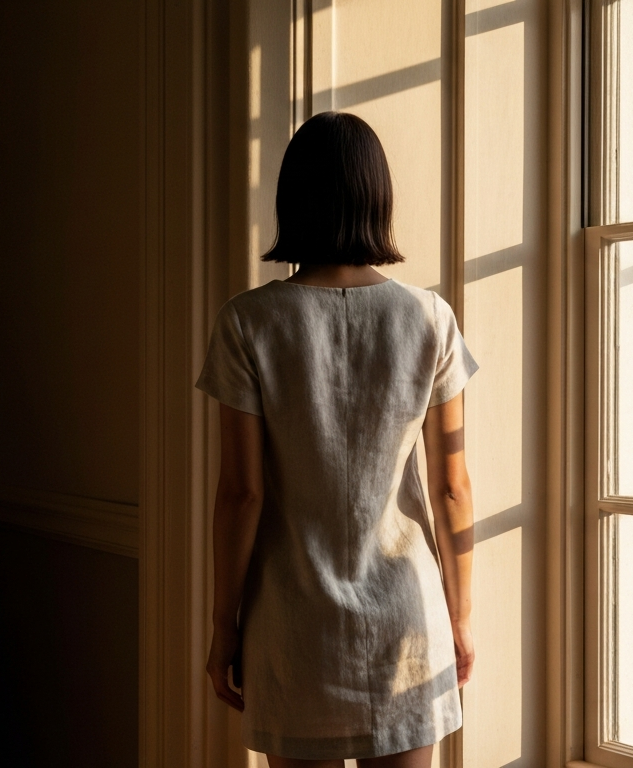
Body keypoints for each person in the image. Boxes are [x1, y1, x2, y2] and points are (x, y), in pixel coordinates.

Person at [197, 111, 478, 768]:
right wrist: (461, 619)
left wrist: (222, 627)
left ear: (291, 202)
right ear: (378, 200)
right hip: (406, 623)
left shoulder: (248, 323)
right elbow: (452, 486)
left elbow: (241, 495)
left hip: (293, 627)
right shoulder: (428, 319)